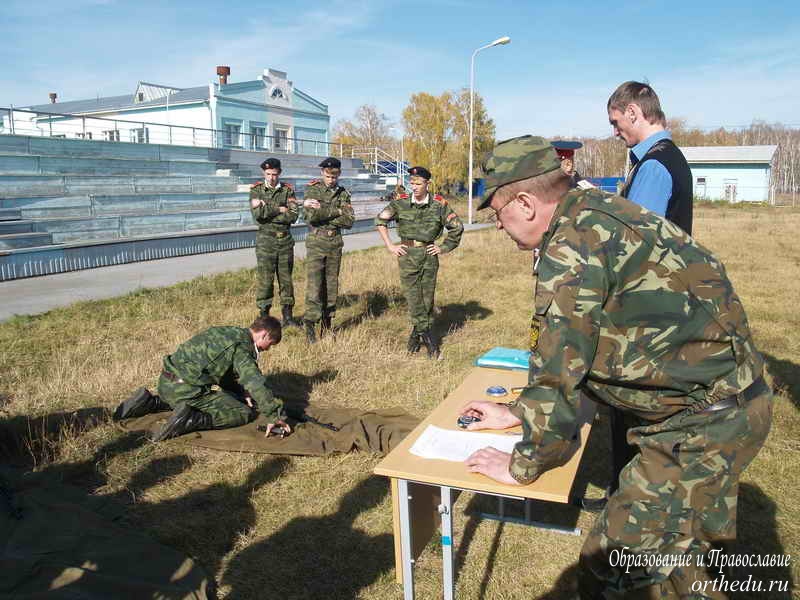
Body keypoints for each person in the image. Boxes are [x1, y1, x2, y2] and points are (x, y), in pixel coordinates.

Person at [461, 135, 772, 597]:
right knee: (681, 561)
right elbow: (595, 346)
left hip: (699, 428)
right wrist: (517, 411)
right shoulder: (597, 211)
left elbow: (558, 368)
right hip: (725, 405)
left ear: (525, 203)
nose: (499, 226)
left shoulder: (571, 246)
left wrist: (524, 464)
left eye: (497, 212)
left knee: (612, 570)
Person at [113, 316, 289, 440]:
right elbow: (256, 383)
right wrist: (274, 416)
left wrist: (240, 391)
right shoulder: (242, 348)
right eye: (270, 344)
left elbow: (222, 372)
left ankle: (151, 402)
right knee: (243, 413)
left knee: (211, 394)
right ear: (264, 334)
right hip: (186, 390)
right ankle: (190, 420)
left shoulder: (225, 331)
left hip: (166, 383)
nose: (267, 349)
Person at [375, 166, 463, 358]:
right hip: (407, 255)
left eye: (418, 183)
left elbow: (457, 227)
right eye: (412, 183)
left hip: (429, 256)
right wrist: (390, 245)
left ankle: (415, 337)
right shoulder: (400, 202)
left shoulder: (439, 204)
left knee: (427, 300)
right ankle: (430, 341)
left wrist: (444, 247)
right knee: (414, 299)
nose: (414, 187)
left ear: (427, 184)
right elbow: (380, 221)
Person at [607, 81, 693, 234]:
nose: (615, 132)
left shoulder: (653, 166)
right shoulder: (669, 156)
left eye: (615, 122)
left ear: (632, 112)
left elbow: (634, 238)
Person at [301, 157, 355, 343]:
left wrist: (325, 210)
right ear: (322, 173)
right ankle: (310, 323)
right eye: (327, 176)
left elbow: (349, 221)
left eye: (334, 176)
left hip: (335, 243)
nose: (331, 180)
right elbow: (312, 216)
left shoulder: (343, 193)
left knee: (331, 285)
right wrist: (337, 211)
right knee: (315, 285)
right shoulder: (313, 189)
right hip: (317, 242)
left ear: (339, 174)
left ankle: (327, 323)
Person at [250, 157, 300, 327]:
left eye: (275, 174)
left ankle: (288, 317)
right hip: (266, 242)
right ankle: (264, 317)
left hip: (285, 241)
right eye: (268, 174)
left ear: (280, 173)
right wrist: (279, 209)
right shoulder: (256, 190)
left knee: (286, 280)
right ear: (264, 173)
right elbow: (258, 215)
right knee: (265, 280)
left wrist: (267, 209)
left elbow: (293, 216)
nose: (271, 178)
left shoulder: (287, 190)